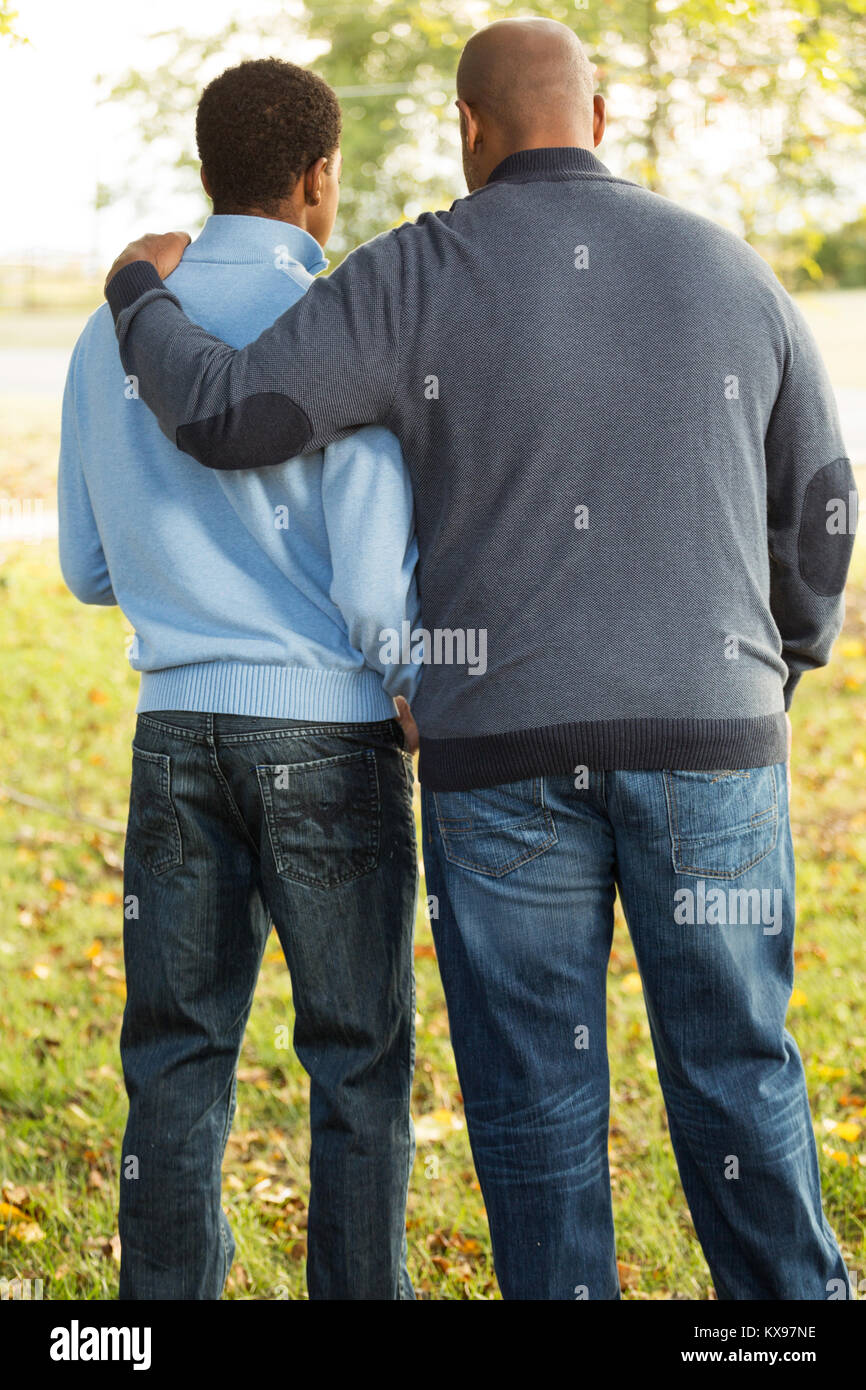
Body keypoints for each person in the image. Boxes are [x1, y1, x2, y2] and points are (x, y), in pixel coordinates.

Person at [102, 19, 857, 1299]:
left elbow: (228, 412)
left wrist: (135, 293)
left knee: (534, 1104)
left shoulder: (413, 275)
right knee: (739, 1073)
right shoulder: (733, 272)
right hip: (711, 747)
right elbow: (825, 499)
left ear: (465, 128)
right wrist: (773, 664)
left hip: (497, 761)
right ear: (602, 115)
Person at [59, 58, 421, 1301]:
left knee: (172, 1055)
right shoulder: (348, 322)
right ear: (320, 179)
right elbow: (377, 588)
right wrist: (415, 678)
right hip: (330, 737)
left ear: (208, 171)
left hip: (175, 736)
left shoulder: (108, 333)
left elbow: (87, 564)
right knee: (355, 1062)